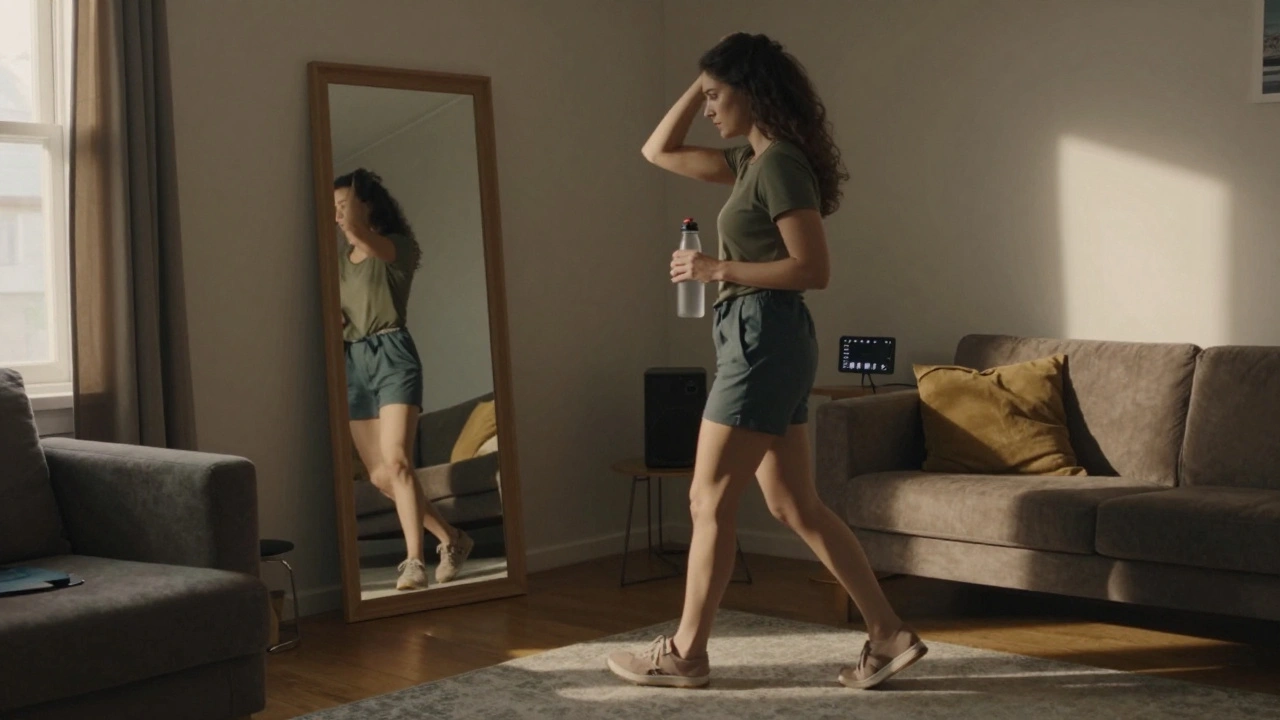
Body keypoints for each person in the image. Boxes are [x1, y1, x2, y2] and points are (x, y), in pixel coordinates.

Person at [606, 33, 927, 690]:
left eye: (717, 95)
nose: (708, 108)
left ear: (752, 92)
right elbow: (657, 151)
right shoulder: (751, 161)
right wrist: (702, 78)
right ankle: (888, 634)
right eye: (705, 97)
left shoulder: (779, 163)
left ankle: (685, 654)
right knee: (794, 505)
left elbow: (813, 268)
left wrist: (715, 267)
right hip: (763, 337)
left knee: (706, 499)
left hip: (762, 337)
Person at [334, 168, 473, 591]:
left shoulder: (397, 248)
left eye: (344, 204)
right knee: (380, 475)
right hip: (353, 361)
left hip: (393, 353)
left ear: (367, 204)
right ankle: (452, 539)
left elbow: (362, 237)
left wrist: (352, 216)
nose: (338, 214)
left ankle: (414, 561)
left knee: (397, 460)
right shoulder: (339, 264)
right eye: (334, 208)